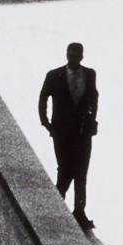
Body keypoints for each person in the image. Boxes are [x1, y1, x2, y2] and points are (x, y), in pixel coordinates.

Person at [37, 42, 100, 227]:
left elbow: (94, 98)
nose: (74, 58)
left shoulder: (90, 74)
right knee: (65, 169)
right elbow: (43, 98)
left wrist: (92, 119)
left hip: (83, 131)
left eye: (77, 55)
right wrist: (46, 123)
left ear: (81, 56)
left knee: (81, 172)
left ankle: (79, 211)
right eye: (71, 55)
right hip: (61, 132)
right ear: (67, 55)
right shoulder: (54, 75)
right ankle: (57, 205)